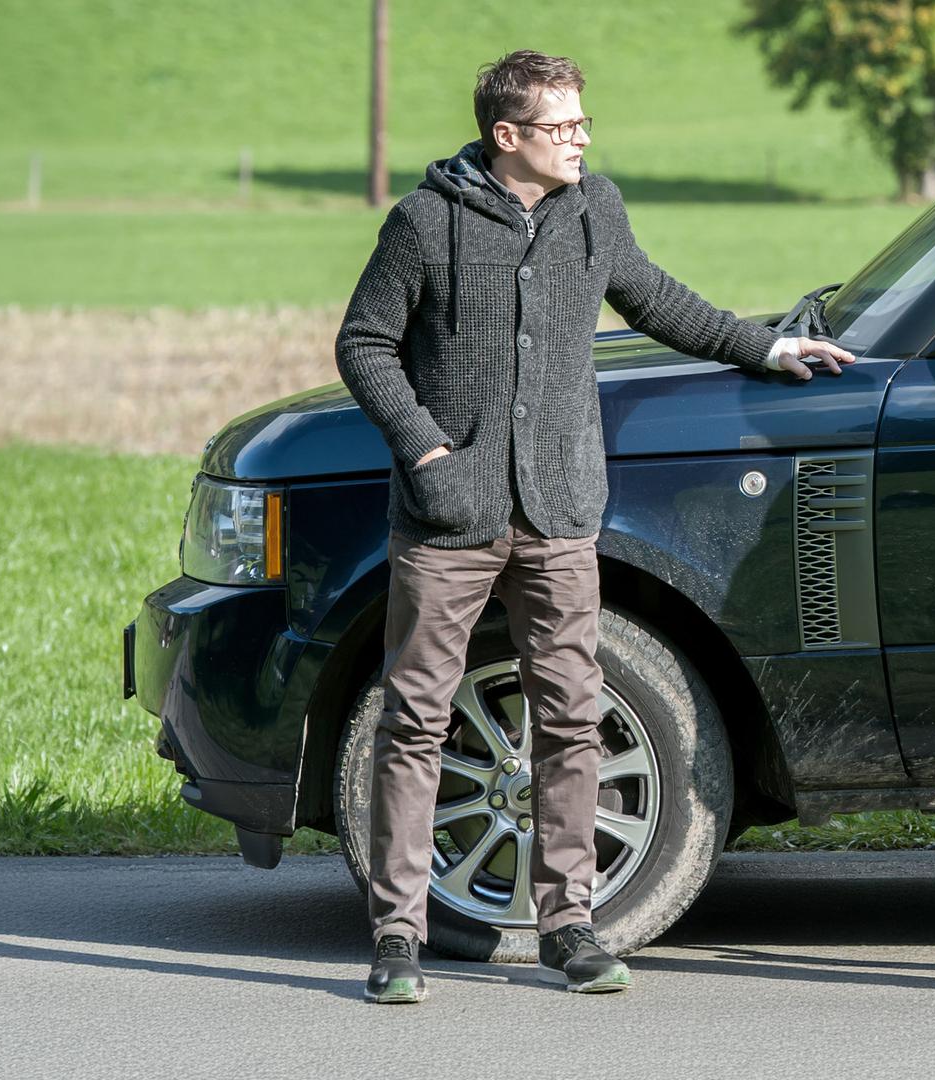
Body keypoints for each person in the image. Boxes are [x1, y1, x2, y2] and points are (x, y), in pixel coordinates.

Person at [334, 50, 854, 1004]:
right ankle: (399, 935)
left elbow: (657, 299)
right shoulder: (425, 222)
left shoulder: (592, 209)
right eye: (563, 126)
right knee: (415, 718)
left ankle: (569, 925)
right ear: (508, 136)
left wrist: (766, 345)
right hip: (449, 520)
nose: (582, 138)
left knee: (571, 717)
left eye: (582, 122)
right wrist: (426, 452)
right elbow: (363, 343)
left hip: (562, 513)